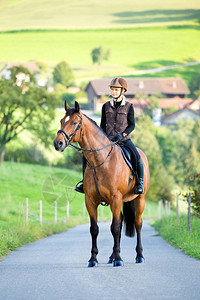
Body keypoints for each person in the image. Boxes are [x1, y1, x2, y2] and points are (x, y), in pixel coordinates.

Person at [75, 77, 144, 194]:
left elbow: (132, 125)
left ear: (122, 91)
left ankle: (139, 183)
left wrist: (123, 135)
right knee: (85, 155)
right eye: (112, 89)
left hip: (124, 140)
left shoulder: (129, 106)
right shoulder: (105, 106)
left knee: (136, 156)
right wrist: (101, 137)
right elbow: (102, 125)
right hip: (107, 140)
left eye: (116, 90)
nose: (114, 92)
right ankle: (84, 182)